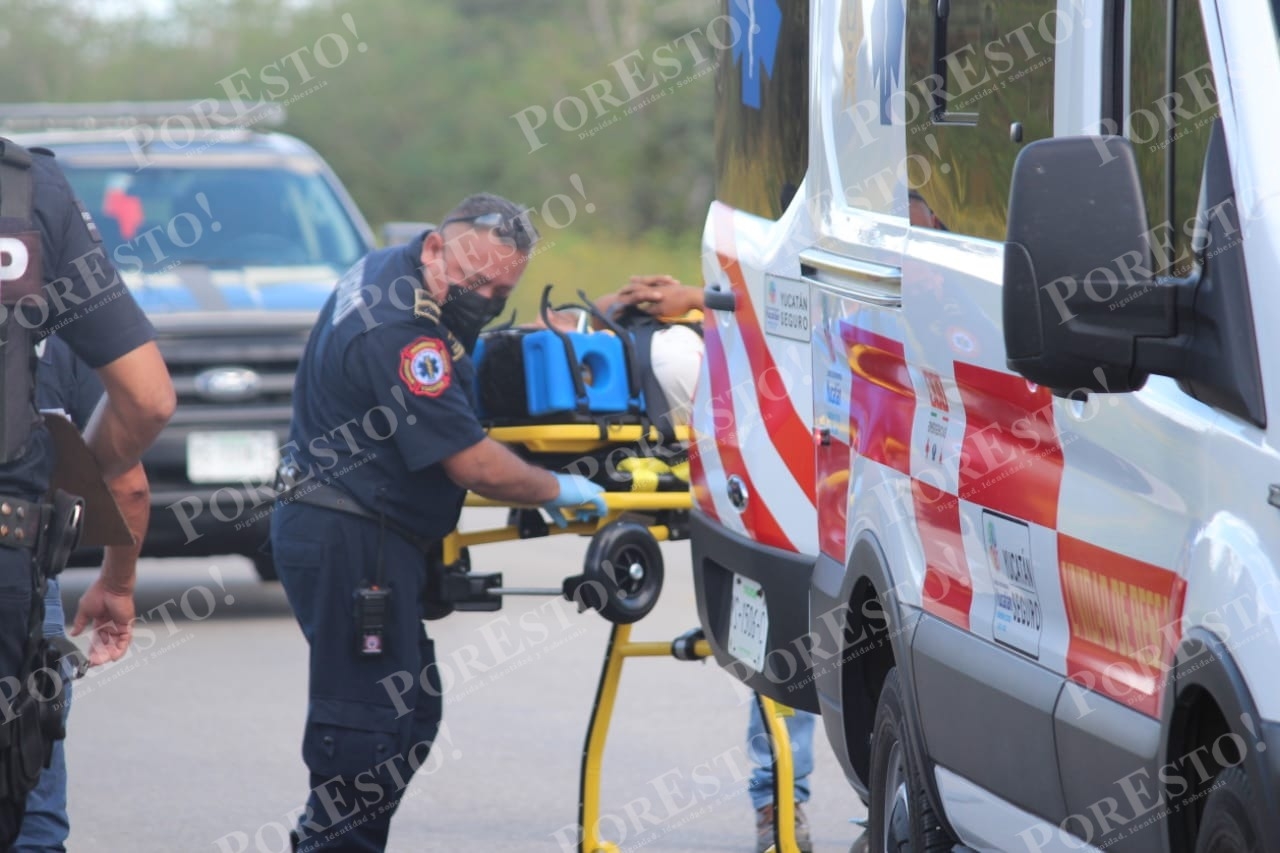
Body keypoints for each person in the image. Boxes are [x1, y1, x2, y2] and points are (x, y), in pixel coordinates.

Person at [269, 193, 608, 853]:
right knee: (367, 734)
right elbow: (472, 462)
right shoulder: (400, 330)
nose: (481, 297)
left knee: (410, 716)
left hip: (365, 531)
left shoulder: (391, 270)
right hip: (351, 538)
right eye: (474, 279)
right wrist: (556, 487)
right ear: (434, 246)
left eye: (499, 289)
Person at [580, 275, 817, 853]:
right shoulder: (679, 351)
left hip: (753, 447)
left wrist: (683, 303)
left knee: (780, 643)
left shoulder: (663, 350)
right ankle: (782, 805)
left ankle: (785, 804)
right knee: (781, 641)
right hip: (756, 456)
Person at [0, 138, 174, 845]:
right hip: (11, 543)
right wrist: (114, 573)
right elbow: (146, 402)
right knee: (28, 802)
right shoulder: (24, 191)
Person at [16, 337, 150, 853]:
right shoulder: (60, 327)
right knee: (31, 806)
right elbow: (127, 484)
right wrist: (117, 583)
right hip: (20, 567)